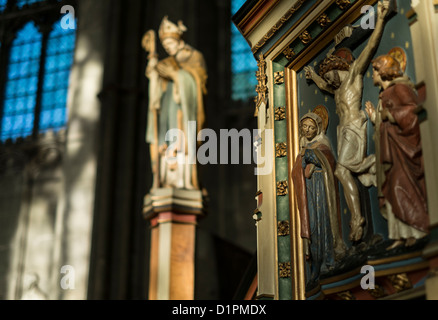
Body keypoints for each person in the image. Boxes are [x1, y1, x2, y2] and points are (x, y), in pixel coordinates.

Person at [304, 0, 390, 242]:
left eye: (329, 75)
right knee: (348, 171)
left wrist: (380, 19)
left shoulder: (353, 77)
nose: (328, 82)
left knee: (342, 170)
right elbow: (324, 84)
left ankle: (357, 219)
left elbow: (370, 47)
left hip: (354, 126)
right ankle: (372, 169)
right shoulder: (338, 88)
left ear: (338, 67)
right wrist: (312, 76)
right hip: (344, 131)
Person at [365, 54, 429, 250]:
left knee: (403, 187)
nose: (373, 75)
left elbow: (413, 112)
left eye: (375, 70)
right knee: (392, 188)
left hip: (402, 149)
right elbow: (385, 122)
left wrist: (390, 115)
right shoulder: (384, 95)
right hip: (389, 149)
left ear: (384, 71)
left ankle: (415, 231)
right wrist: (378, 119)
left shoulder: (401, 88)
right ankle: (399, 235)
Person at [142, 16, 207, 190]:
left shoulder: (194, 57)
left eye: (170, 44)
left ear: (179, 41)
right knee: (166, 141)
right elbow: (156, 96)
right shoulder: (166, 62)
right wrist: (154, 73)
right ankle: (165, 179)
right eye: (165, 46)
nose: (168, 48)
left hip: (182, 113)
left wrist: (177, 76)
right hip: (167, 114)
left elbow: (199, 85)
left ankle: (183, 180)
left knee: (181, 140)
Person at [292, 112, 346, 290]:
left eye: (311, 127)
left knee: (323, 225)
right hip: (309, 192)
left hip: (322, 191)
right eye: (304, 127)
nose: (307, 130)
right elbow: (298, 171)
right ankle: (315, 268)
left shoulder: (323, 145)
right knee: (312, 228)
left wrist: (309, 156)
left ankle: (327, 262)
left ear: (318, 128)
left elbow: (327, 162)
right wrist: (303, 160)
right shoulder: (304, 147)